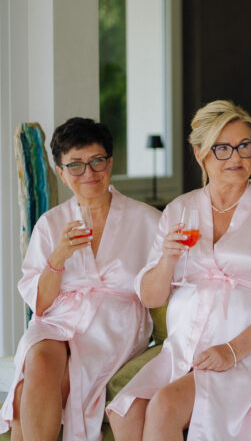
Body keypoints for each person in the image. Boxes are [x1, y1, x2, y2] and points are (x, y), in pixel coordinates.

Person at [106, 100, 251, 441]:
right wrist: (167, 260)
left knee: (165, 405)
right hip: (184, 345)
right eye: (223, 148)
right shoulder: (180, 210)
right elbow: (152, 295)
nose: (237, 157)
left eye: (244, 145)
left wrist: (232, 351)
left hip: (245, 348)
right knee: (125, 410)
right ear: (200, 154)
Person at [0, 118, 159, 441]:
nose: (88, 174)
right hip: (59, 319)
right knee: (40, 359)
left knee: (35, 392)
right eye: (75, 165)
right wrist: (57, 257)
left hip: (114, 324)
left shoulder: (147, 220)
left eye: (96, 161)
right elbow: (41, 306)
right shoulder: (51, 223)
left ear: (110, 162)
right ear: (61, 172)